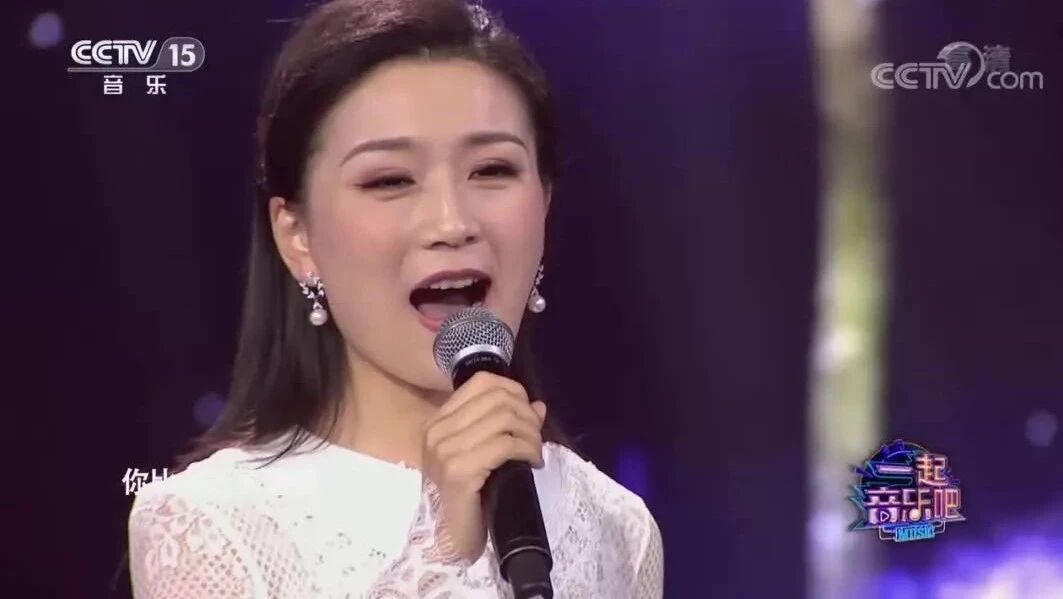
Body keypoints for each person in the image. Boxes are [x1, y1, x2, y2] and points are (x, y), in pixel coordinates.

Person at [127, 0, 663, 596]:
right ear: (297, 236)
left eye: (492, 170)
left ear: (545, 204)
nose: (451, 223)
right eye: (390, 180)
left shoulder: (618, 529)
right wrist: (439, 551)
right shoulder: (210, 524)